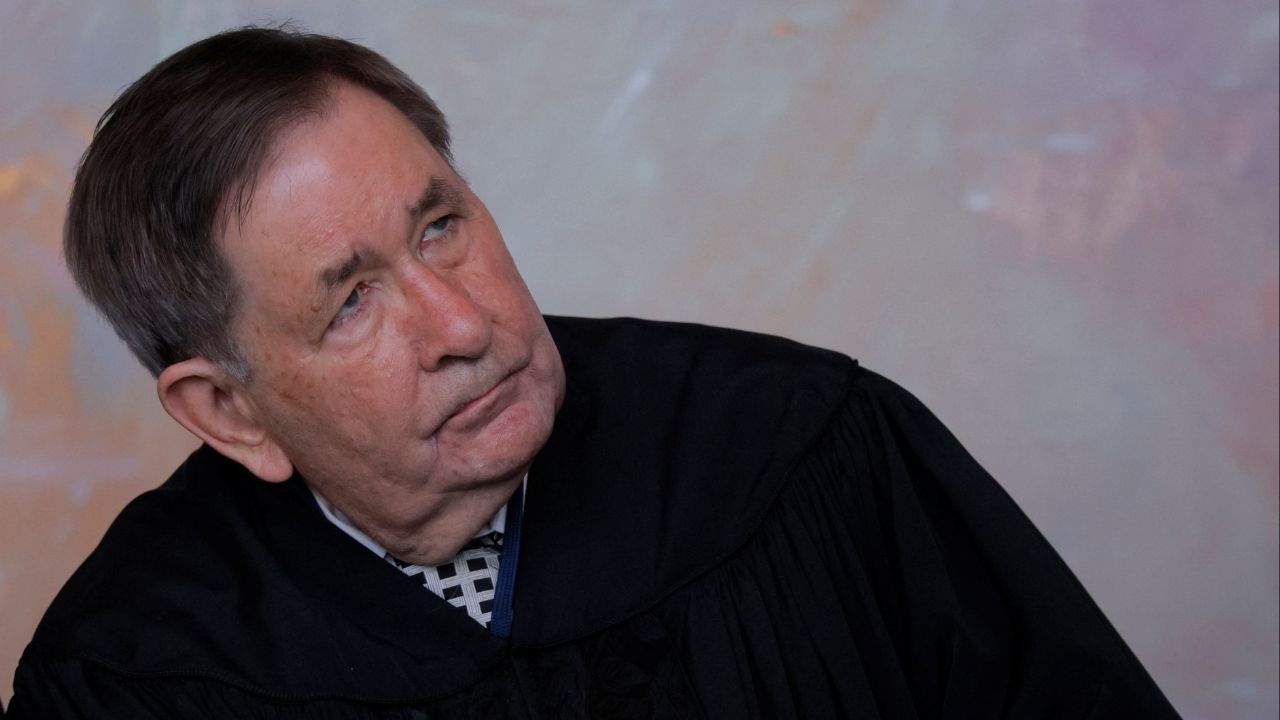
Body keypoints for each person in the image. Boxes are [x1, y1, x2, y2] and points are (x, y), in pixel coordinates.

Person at [6, 26, 1180, 719]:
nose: (461, 322)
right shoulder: (132, 679)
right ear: (226, 410)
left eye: (439, 226)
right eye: (351, 299)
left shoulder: (801, 450)